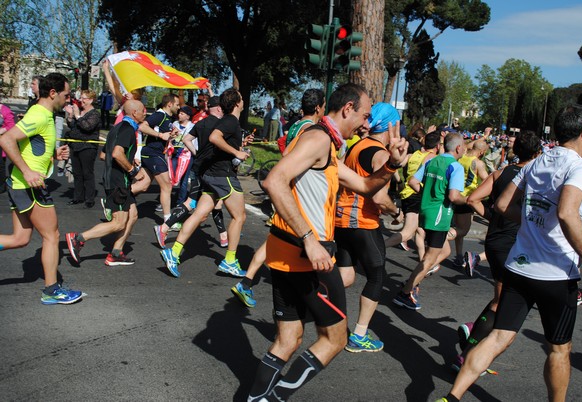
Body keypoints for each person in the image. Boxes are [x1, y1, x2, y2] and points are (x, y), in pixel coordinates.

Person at [247, 83, 407, 401]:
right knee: (334, 339)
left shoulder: (330, 148)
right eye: (364, 115)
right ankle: (274, 399)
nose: (366, 124)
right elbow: (273, 180)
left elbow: (363, 185)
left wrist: (391, 165)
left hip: (286, 254)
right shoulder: (319, 139)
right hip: (309, 258)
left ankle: (257, 399)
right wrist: (309, 239)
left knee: (289, 339)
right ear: (347, 108)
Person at [436, 104, 582, 402]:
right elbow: (566, 212)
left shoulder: (536, 163)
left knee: (499, 336)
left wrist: (533, 221)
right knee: (559, 348)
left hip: (519, 267)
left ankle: (453, 396)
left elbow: (501, 206)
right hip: (556, 274)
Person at [231, 88, 326, 308]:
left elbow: (284, 152)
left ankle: (246, 282)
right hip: (295, 193)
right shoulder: (311, 130)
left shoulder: (295, 125)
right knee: (299, 241)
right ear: (320, 107)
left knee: (274, 238)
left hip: (286, 188)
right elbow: (292, 157)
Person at [454, 131, 541, 372]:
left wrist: (493, 216)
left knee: (501, 299)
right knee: (501, 301)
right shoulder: (533, 176)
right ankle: (468, 352)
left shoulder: (501, 173)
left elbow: (472, 199)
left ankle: (475, 342)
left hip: (493, 241)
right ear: (537, 154)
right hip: (511, 245)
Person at [0, 73, 83, 305]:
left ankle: (52, 289)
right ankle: (51, 290)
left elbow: (30, 146)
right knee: (52, 236)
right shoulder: (40, 114)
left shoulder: (43, 115)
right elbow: (6, 139)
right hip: (29, 185)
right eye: (66, 95)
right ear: (53, 93)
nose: (68, 100)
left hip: (21, 184)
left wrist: (53, 155)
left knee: (20, 238)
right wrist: (27, 171)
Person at [335, 103, 406, 353]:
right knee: (376, 276)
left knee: (346, 276)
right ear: (390, 126)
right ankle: (360, 335)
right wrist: (398, 212)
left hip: (340, 219)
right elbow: (378, 198)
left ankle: (307, 298)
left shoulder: (356, 146)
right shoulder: (381, 153)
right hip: (362, 221)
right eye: (397, 124)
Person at [160, 88, 252, 278]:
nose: (243, 101)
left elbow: (215, 142)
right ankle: (230, 261)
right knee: (239, 216)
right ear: (236, 103)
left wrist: (238, 149)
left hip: (211, 174)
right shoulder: (230, 121)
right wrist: (236, 153)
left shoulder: (227, 121)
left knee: (200, 214)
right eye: (241, 98)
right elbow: (214, 138)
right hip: (222, 175)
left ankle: (174, 252)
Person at [65, 100, 147, 266]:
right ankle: (78, 238)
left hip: (113, 178)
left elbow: (104, 155)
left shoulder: (115, 129)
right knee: (118, 222)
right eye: (143, 111)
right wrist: (131, 170)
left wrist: (128, 160)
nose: (145, 113)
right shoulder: (128, 129)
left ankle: (116, 253)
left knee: (133, 215)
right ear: (134, 113)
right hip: (118, 182)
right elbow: (117, 153)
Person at [393, 132, 467, 310]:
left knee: (445, 251)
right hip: (440, 216)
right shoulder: (455, 167)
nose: (464, 148)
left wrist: (426, 195)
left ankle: (416, 277)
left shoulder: (431, 161)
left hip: (426, 211)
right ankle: (406, 291)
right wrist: (471, 201)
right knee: (429, 259)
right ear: (458, 148)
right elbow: (454, 196)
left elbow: (412, 182)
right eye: (463, 145)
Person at [153, 96, 229, 253]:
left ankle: (223, 236)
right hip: (212, 169)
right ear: (219, 108)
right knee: (214, 202)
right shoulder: (221, 125)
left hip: (198, 166)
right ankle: (223, 237)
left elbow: (187, 139)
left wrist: (196, 153)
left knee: (195, 202)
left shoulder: (200, 123)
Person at [140, 94, 180, 223]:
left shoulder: (167, 118)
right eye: (177, 104)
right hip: (153, 153)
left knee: (144, 185)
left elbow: (164, 136)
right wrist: (160, 135)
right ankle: (168, 221)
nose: (179, 107)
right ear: (170, 104)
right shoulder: (160, 115)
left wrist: (171, 135)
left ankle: (112, 200)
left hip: (153, 153)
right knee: (167, 186)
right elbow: (142, 126)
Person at [451, 139, 488, 268]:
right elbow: (487, 180)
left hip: (455, 195)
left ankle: (459, 256)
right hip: (467, 199)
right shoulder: (478, 163)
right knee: (463, 230)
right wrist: (480, 192)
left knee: (459, 228)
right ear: (482, 152)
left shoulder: (461, 158)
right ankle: (443, 236)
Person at [64, 89, 102, 208]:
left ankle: (89, 198)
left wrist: (76, 115)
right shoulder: (80, 111)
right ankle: (78, 196)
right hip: (75, 145)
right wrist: (71, 115)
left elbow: (87, 127)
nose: (81, 100)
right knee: (77, 173)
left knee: (87, 173)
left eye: (84, 98)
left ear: (90, 100)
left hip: (87, 146)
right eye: (81, 98)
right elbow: (72, 125)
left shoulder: (94, 114)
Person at [0, 101, 16, 194]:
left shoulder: (5, 110)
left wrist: (2, 130)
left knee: (0, 165)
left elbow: (11, 126)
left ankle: (2, 186)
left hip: (2, 142)